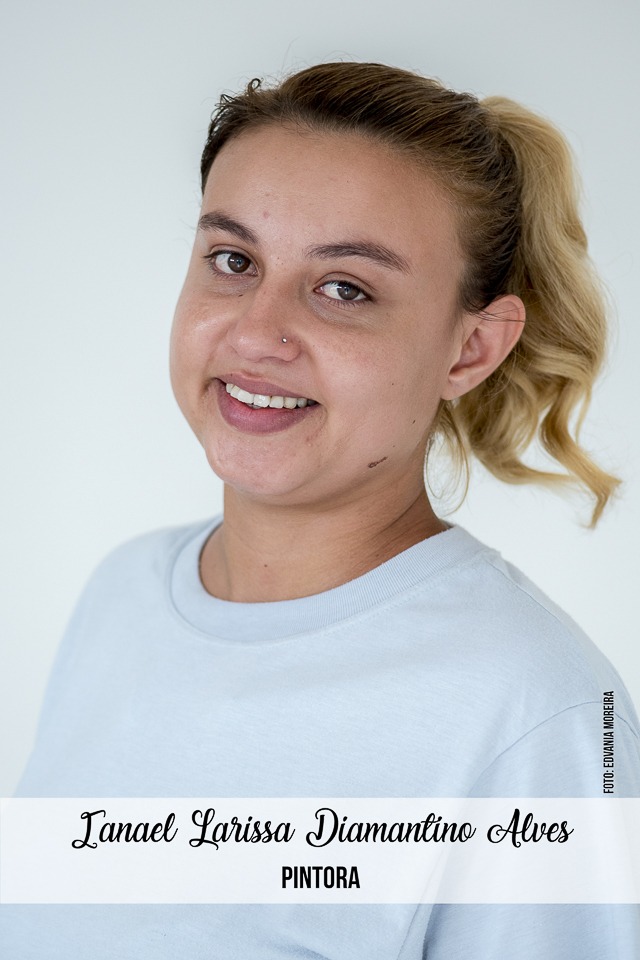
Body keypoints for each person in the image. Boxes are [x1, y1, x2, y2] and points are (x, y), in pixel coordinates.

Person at [3, 61, 639, 958]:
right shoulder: (124, 594)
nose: (255, 333)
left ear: (470, 350)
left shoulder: (540, 711)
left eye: (345, 288)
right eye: (234, 261)